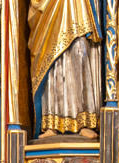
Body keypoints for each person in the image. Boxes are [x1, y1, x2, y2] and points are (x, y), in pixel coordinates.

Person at [27, 0, 102, 137]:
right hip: (49, 9)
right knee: (52, 61)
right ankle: (51, 124)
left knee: (79, 52)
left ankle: (83, 122)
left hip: (76, 11)